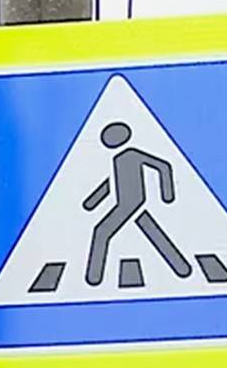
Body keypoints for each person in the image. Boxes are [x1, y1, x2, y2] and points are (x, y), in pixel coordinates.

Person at [82, 121, 192, 286]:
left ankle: (93, 278)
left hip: (131, 203)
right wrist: (91, 202)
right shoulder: (118, 158)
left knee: (102, 232)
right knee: (153, 233)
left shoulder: (132, 155)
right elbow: (111, 183)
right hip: (128, 204)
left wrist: (167, 194)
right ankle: (182, 269)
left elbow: (163, 166)